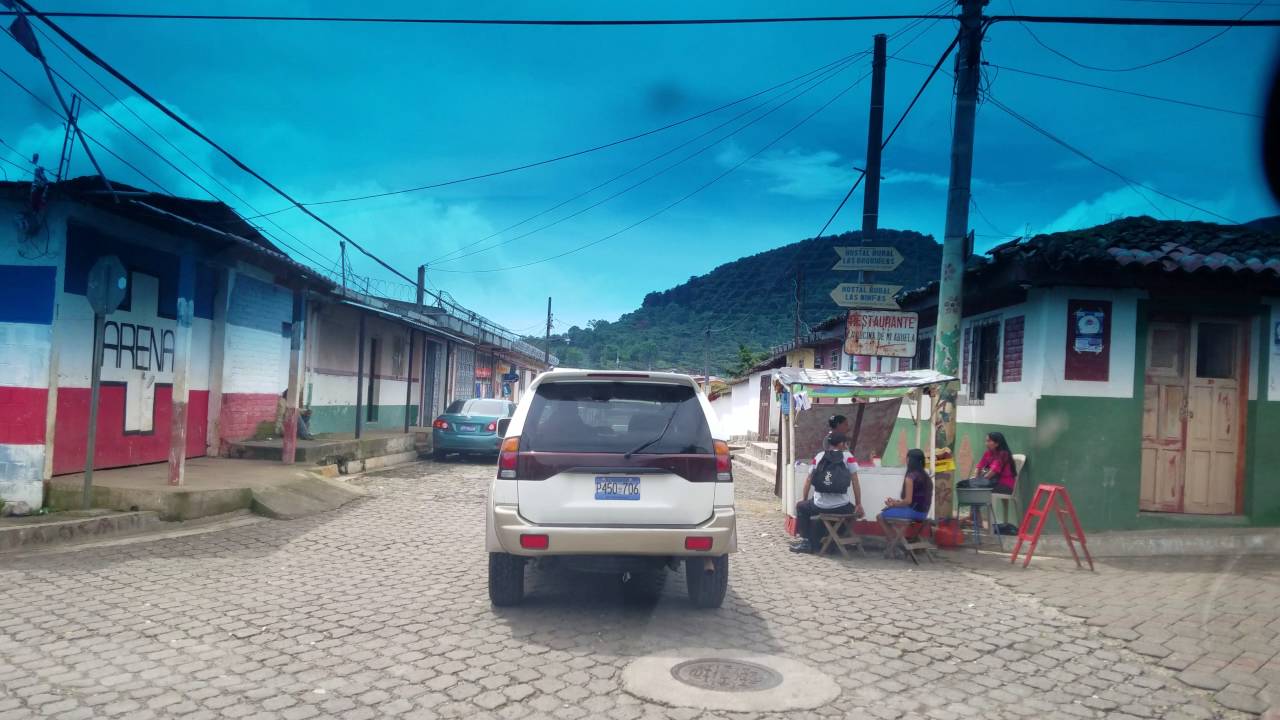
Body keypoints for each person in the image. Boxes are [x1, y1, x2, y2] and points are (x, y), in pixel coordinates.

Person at [790, 433, 863, 554]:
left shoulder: (819, 456)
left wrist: (804, 498)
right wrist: (858, 504)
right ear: (841, 444)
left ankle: (806, 542)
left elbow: (808, 480)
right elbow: (855, 481)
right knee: (855, 513)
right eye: (845, 443)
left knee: (801, 507)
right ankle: (833, 542)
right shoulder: (848, 457)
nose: (846, 445)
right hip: (841, 507)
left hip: (819, 505)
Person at [877, 449, 933, 555]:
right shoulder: (925, 476)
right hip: (923, 513)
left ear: (909, 460)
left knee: (880, 516)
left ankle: (894, 545)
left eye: (907, 458)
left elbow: (908, 501)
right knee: (889, 511)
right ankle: (894, 545)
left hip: (913, 513)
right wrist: (896, 502)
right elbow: (914, 500)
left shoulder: (910, 477)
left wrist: (893, 504)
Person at [958, 432, 1017, 496]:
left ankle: (978, 502)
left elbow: (992, 473)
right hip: (992, 482)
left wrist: (978, 481)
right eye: (986, 441)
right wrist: (975, 477)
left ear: (997, 443)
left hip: (1004, 485)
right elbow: (979, 466)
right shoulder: (988, 453)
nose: (986, 443)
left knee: (971, 486)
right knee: (963, 484)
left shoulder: (1003, 454)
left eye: (989, 441)